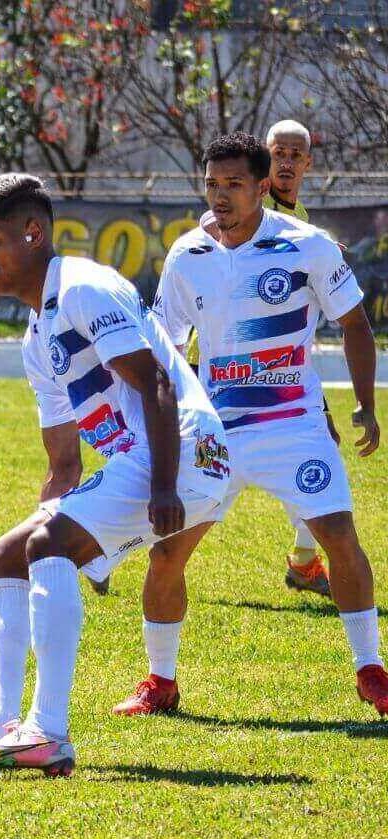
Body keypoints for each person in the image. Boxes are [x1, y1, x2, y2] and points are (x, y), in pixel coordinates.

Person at [0, 174, 230, 776]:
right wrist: (59, 523)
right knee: (4, 556)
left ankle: (48, 733)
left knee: (47, 544)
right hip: (144, 466)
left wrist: (165, 487)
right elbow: (64, 463)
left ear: (33, 233)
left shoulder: (82, 289)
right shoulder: (38, 335)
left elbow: (159, 384)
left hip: (186, 455)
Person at [111, 132, 387, 718]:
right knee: (166, 554)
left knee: (339, 536)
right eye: (212, 184)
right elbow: (163, 346)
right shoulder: (187, 255)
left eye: (234, 184)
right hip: (215, 435)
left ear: (263, 186)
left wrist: (364, 404)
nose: (220, 195)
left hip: (294, 426)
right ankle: (160, 681)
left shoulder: (306, 245)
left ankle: (371, 672)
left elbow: (356, 324)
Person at [83, 117, 336, 598]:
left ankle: (305, 560)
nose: (285, 161)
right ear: (264, 161)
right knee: (182, 478)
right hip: (212, 371)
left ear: (306, 163)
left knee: (304, 456)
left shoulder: (302, 225)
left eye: (294, 154)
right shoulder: (222, 215)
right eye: (277, 151)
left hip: (276, 373)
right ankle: (106, 547)